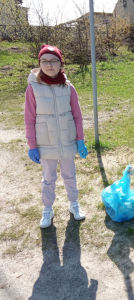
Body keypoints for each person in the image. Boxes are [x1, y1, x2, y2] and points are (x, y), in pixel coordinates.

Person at [24, 44, 88, 229]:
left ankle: (74, 204)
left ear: (61, 64)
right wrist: (32, 145)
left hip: (67, 140)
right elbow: (29, 118)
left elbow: (77, 115)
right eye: (44, 61)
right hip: (46, 142)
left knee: (70, 175)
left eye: (53, 61)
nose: (49, 65)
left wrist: (80, 140)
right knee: (48, 178)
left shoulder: (68, 87)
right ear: (39, 64)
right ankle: (47, 209)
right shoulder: (33, 88)